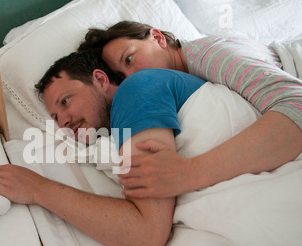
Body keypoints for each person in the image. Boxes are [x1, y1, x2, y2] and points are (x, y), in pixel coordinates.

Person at [0, 51, 206, 246]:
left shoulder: (135, 90)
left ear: (100, 80)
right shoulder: (117, 135)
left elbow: (148, 234)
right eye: (55, 118)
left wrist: (35, 188)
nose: (63, 121)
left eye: (66, 101)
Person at [78, 21, 302, 199]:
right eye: (121, 77)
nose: (132, 77)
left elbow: (297, 105)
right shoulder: (185, 78)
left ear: (157, 38)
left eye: (129, 58)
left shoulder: (212, 56)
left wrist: (189, 172)